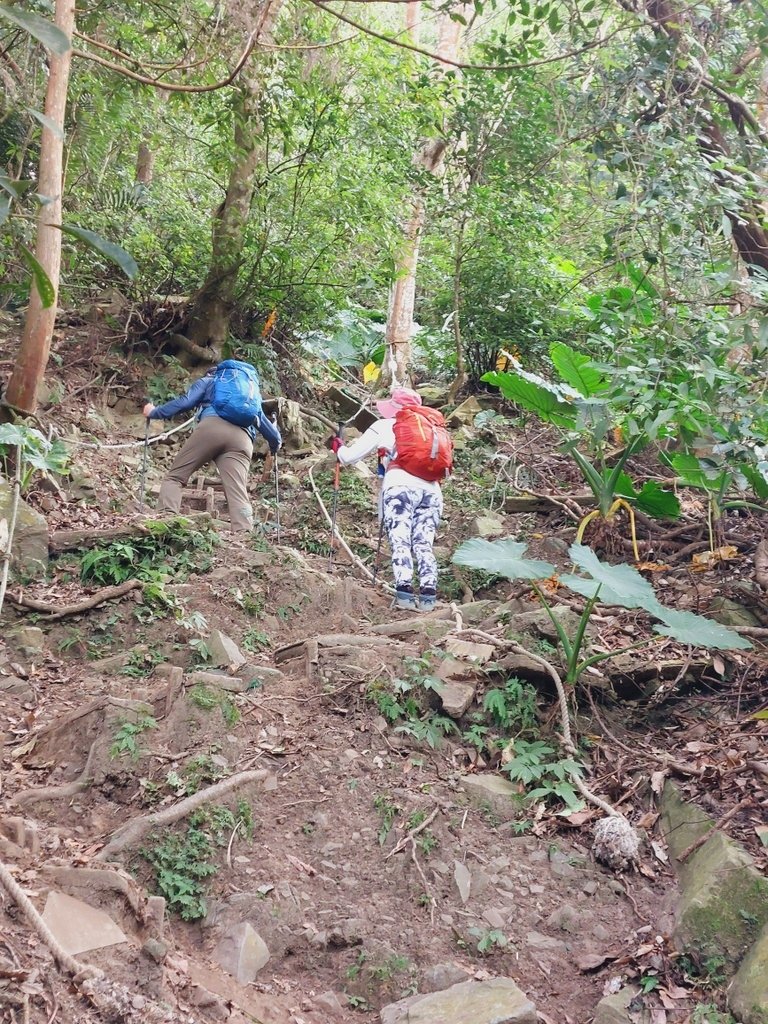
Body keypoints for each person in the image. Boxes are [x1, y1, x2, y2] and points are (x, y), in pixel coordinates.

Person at [329, 387, 450, 612]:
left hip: (400, 488)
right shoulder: (432, 430)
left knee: (400, 539)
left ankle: (404, 594)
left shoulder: (384, 426)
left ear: (394, 408)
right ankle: (428, 598)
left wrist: (338, 446)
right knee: (424, 543)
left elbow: (348, 458)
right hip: (432, 491)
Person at [142, 360, 281, 533]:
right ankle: (244, 534)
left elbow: (185, 402)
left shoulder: (210, 381)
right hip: (242, 440)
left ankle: (165, 521)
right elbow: (272, 435)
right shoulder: (249, 396)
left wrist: (155, 412)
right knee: (237, 490)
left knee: (175, 477)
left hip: (212, 428)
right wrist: (274, 447)